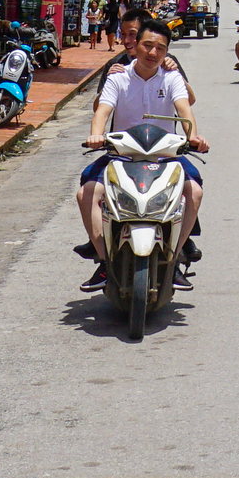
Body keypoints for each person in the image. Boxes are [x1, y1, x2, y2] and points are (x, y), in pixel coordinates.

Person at [77, 19, 206, 291]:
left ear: (167, 52)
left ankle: (174, 259)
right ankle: (104, 261)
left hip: (166, 154)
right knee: (86, 191)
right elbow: (102, 111)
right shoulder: (118, 76)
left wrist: (192, 136)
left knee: (193, 191)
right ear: (135, 45)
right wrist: (96, 135)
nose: (153, 53)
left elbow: (184, 110)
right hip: (121, 155)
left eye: (160, 48)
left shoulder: (172, 78)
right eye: (147, 45)